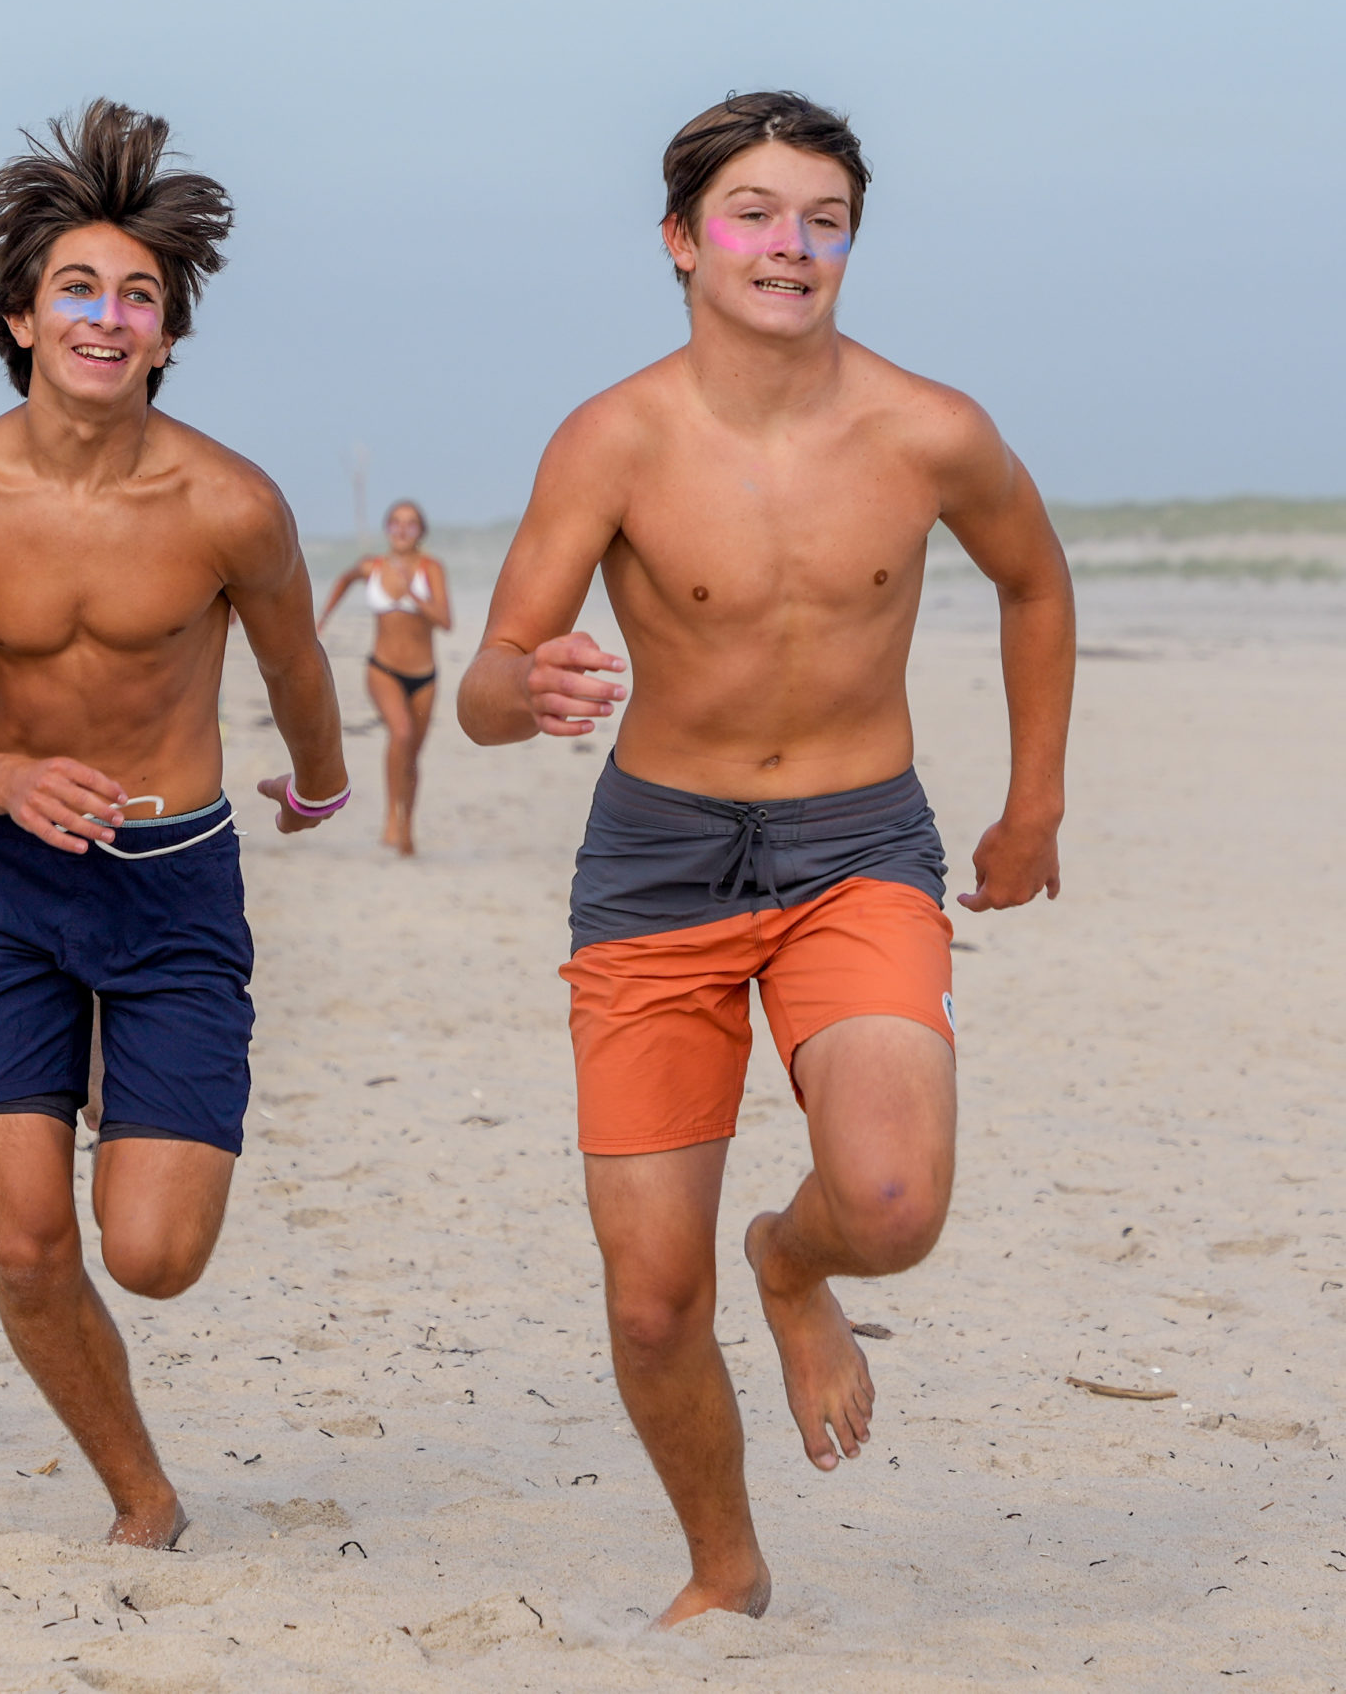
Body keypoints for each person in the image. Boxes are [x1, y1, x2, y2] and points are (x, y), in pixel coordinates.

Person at [457, 91, 1075, 1625]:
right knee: (653, 1299)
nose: (788, 245)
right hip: (657, 864)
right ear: (681, 241)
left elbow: (1036, 582)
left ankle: (792, 1269)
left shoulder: (930, 428)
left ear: (851, 242)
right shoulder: (611, 440)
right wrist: (523, 692)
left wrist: (1034, 805)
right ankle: (725, 1566)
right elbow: (485, 680)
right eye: (753, 213)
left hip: (860, 845)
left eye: (822, 218)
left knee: (889, 1199)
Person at [0, 99, 349, 1550]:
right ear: (20, 317)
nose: (107, 313)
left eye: (137, 295)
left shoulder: (229, 504)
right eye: (78, 287)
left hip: (169, 882)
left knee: (150, 1254)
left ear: (166, 332)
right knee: (28, 1240)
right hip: (9, 879)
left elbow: (294, 666)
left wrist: (320, 783)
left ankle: (120, 1065)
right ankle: (142, 1489)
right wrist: (6, 780)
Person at [316, 500, 453, 853]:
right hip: (382, 669)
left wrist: (412, 595)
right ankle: (391, 818)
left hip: (425, 676)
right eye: (396, 522)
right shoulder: (371, 566)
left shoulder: (430, 568)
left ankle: (408, 826)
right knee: (401, 733)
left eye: (410, 523)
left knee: (411, 754)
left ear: (421, 530)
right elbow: (344, 579)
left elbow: (445, 621)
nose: (402, 529)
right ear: (387, 528)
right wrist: (322, 619)